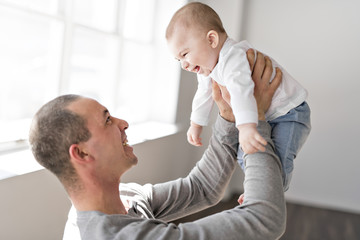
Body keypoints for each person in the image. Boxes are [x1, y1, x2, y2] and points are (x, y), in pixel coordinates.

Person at [29, 50, 286, 240]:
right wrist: (254, 119)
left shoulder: (127, 197)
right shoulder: (114, 236)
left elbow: (202, 188)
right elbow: (265, 219)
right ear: (82, 153)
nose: (123, 122)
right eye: (107, 120)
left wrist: (230, 117)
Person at [166, 2, 311, 191]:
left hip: (290, 112)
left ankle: (270, 193)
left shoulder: (233, 56)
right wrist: (196, 124)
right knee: (245, 154)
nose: (183, 65)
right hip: (268, 116)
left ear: (211, 40)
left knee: (280, 160)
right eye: (179, 60)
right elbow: (203, 94)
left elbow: (241, 90)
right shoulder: (208, 68)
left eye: (185, 54)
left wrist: (246, 127)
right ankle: (256, 190)